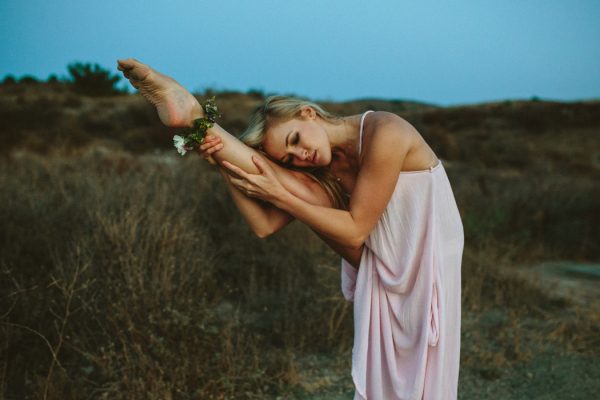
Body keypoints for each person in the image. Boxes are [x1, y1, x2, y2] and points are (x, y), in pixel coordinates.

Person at [117, 58, 464, 400]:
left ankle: (197, 118)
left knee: (421, 388)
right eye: (290, 157)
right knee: (290, 184)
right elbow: (263, 226)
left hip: (425, 263)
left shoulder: (386, 131)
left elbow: (356, 230)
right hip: (381, 262)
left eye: (295, 139)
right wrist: (221, 164)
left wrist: (279, 193)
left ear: (308, 113)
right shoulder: (321, 170)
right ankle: (195, 121)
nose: (301, 154)